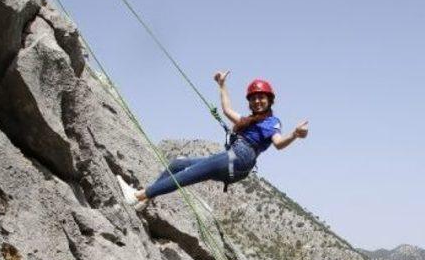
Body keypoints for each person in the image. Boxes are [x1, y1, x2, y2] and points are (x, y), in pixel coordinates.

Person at [118, 73, 308, 205]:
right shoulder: (248, 121)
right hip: (234, 158)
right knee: (177, 164)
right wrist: (222, 85)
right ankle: (146, 198)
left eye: (262, 98)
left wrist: (294, 135)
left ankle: (137, 197)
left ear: (269, 100)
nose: (257, 101)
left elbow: (279, 143)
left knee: (186, 175)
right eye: (254, 98)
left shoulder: (272, 122)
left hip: (240, 158)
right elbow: (226, 110)